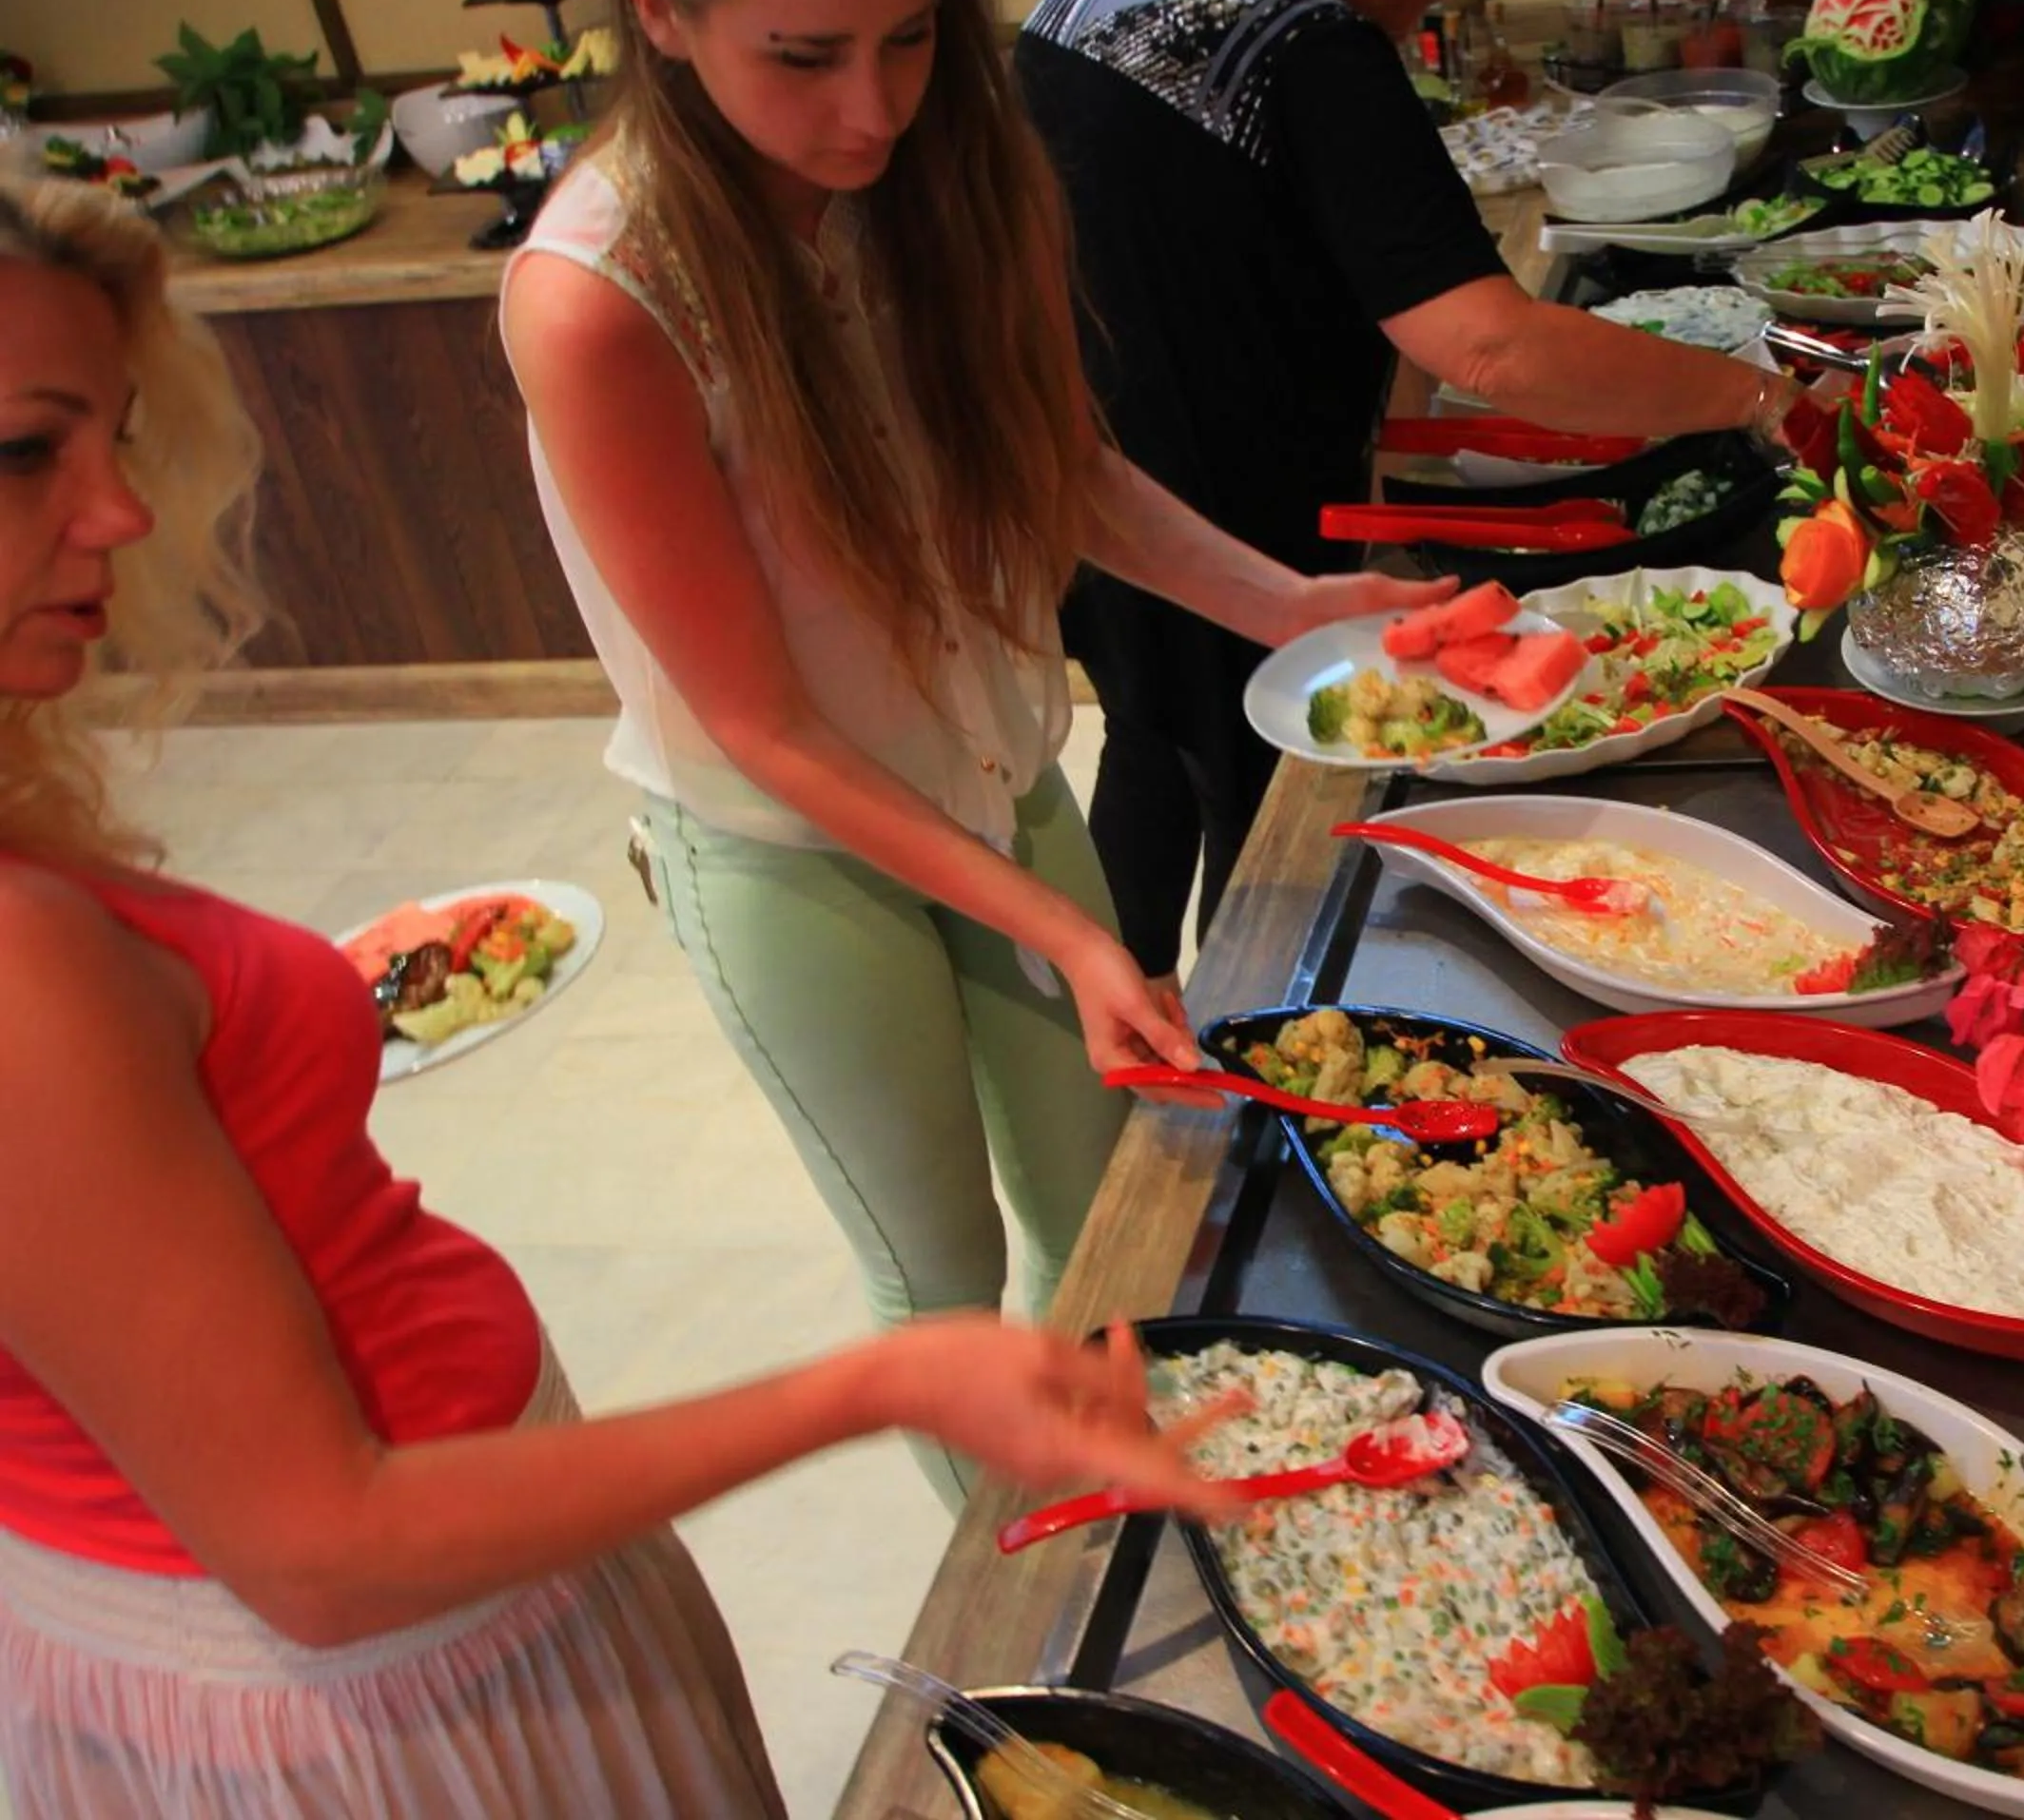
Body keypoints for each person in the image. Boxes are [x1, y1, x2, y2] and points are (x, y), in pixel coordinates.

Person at [0, 174, 1239, 1819]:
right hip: (359, 1706)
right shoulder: (23, 967)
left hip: (458, 1613)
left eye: (113, 439)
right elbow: (316, 1546)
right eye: (28, 452)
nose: (122, 515)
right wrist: (877, 1382)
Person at [500, 0, 1448, 1506]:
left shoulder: (951, 176)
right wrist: (1081, 936)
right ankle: (1022, 1623)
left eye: (910, 38)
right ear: (657, 12)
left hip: (996, 782)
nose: (871, 111)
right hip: (790, 852)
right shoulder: (603, 298)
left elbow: (1060, 467)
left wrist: (1287, 606)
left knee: (1111, 1220)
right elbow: (767, 730)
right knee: (937, 1277)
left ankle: (1155, 1526)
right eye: (802, 59)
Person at [1015, 0, 1826, 986]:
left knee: (1151, 729)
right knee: (1271, 816)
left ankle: (1114, 1022)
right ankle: (1240, 1063)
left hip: (1072, 461)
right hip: (1211, 508)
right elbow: (1491, 344)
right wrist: (1762, 397)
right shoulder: (1306, 27)